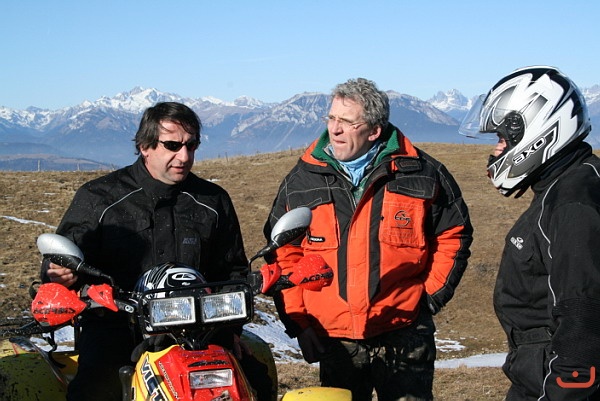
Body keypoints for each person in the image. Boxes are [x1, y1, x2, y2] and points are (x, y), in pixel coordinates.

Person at [41, 102, 269, 400]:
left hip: (199, 330)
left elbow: (232, 270)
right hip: (118, 329)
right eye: (172, 145)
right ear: (145, 146)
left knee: (256, 384)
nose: (184, 156)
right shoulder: (100, 198)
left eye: (191, 146)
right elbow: (62, 259)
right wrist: (59, 274)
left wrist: (231, 329)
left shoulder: (212, 201)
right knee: (95, 390)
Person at [263, 78, 473, 401]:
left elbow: (453, 235)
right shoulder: (302, 179)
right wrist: (299, 322)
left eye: (347, 122)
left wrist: (427, 298)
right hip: (335, 339)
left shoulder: (421, 173)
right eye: (331, 118)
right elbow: (284, 254)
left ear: (374, 131)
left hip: (404, 333)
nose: (334, 129)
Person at [459, 66, 600, 400]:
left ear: (538, 130)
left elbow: (582, 317)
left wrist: (562, 391)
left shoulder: (572, 204)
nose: (497, 151)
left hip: (551, 381)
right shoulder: (567, 184)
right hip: (538, 372)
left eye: (502, 139)